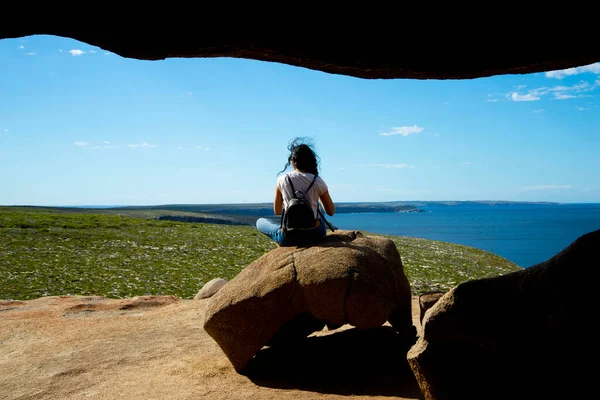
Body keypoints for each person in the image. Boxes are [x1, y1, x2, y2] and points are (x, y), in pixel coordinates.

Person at [256, 137, 335, 246]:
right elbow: (330, 211)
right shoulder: (318, 181)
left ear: (293, 161)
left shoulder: (282, 179)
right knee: (318, 211)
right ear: (311, 162)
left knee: (260, 222)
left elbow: (277, 211)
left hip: (289, 236)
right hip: (315, 235)